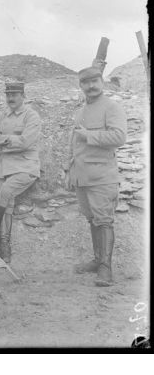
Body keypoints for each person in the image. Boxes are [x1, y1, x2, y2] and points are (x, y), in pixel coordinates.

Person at [64, 67, 127, 286]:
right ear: (80, 86)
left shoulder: (112, 107)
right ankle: (97, 259)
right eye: (86, 83)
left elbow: (119, 136)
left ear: (102, 81)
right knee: (92, 219)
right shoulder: (80, 111)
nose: (91, 86)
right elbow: (74, 144)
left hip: (102, 176)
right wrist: (68, 171)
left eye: (94, 81)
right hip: (82, 177)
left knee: (104, 220)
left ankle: (105, 269)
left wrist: (88, 135)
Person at [0, 82, 41, 262]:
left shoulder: (31, 116)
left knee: (6, 192)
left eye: (14, 94)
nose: (11, 98)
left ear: (23, 95)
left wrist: (2, 140)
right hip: (4, 167)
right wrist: (9, 140)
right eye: (8, 94)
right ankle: (4, 245)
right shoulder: (3, 115)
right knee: (7, 204)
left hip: (25, 167)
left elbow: (25, 142)